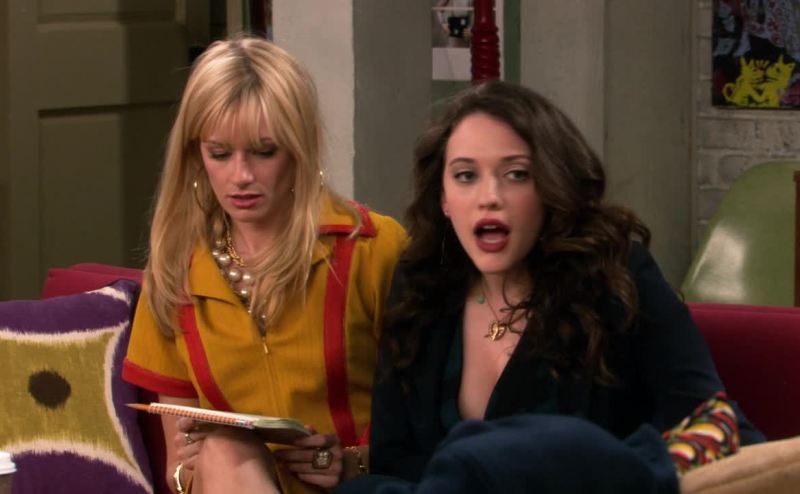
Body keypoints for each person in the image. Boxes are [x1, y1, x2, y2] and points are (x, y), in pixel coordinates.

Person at [338, 81, 763, 494]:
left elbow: (715, 426)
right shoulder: (419, 284)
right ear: (444, 198)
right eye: (466, 175)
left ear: (551, 186)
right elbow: (393, 459)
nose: (490, 197)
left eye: (517, 174)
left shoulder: (616, 273)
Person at [121, 36, 406, 494]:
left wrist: (352, 462)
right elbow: (177, 470)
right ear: (195, 155)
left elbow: (430, 432)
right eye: (220, 154)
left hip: (358, 489)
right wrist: (193, 466)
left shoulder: (374, 249)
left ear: (298, 149)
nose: (241, 177)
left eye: (264, 151)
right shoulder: (176, 270)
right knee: (223, 448)